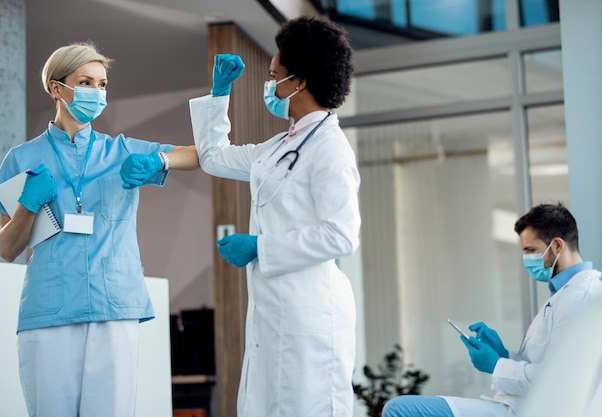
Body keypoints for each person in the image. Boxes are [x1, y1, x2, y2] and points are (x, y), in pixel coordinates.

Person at [0, 42, 198, 417]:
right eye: (85, 82)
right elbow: (6, 248)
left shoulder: (122, 151)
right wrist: (26, 206)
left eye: (102, 84)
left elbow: (198, 155)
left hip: (113, 308)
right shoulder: (21, 159)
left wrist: (159, 159)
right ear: (57, 88)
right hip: (49, 310)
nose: (97, 93)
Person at [188, 16, 361, 417]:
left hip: (310, 311)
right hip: (274, 307)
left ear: (298, 82)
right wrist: (219, 93)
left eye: (274, 75)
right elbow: (214, 158)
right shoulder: (281, 144)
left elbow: (341, 235)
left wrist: (260, 247)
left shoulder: (330, 149)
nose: (270, 85)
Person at [383, 203, 602, 417]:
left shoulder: (580, 295)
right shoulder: (566, 292)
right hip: (517, 405)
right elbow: (545, 364)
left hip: (529, 410)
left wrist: (497, 365)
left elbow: (559, 379)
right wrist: (503, 354)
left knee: (399, 410)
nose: (527, 259)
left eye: (531, 250)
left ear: (557, 246)